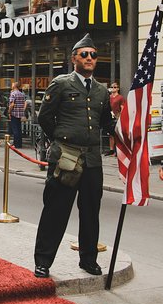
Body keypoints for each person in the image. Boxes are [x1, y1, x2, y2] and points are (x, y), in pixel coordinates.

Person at [34, 33, 114, 279]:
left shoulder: (102, 91)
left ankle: (88, 259)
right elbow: (44, 117)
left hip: (92, 160)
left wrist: (128, 134)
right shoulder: (62, 83)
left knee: (90, 212)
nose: (89, 58)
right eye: (84, 54)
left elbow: (106, 123)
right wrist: (59, 138)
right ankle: (43, 261)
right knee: (56, 210)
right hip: (66, 157)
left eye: (93, 55)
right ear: (74, 58)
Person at [107, 82, 125, 155]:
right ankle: (111, 150)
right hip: (110, 116)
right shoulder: (109, 97)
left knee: (117, 134)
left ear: (118, 88)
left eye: (115, 87)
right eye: (112, 87)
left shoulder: (120, 97)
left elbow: (122, 108)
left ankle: (118, 150)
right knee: (111, 134)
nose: (113, 88)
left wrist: (121, 117)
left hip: (117, 116)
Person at [8, 82, 26, 148]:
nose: (11, 85)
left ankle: (16, 144)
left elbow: (12, 104)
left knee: (15, 129)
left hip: (14, 113)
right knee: (19, 129)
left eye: (12, 84)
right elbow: (24, 103)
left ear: (15, 86)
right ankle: (19, 144)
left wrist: (9, 112)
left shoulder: (13, 94)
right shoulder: (22, 94)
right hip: (20, 114)